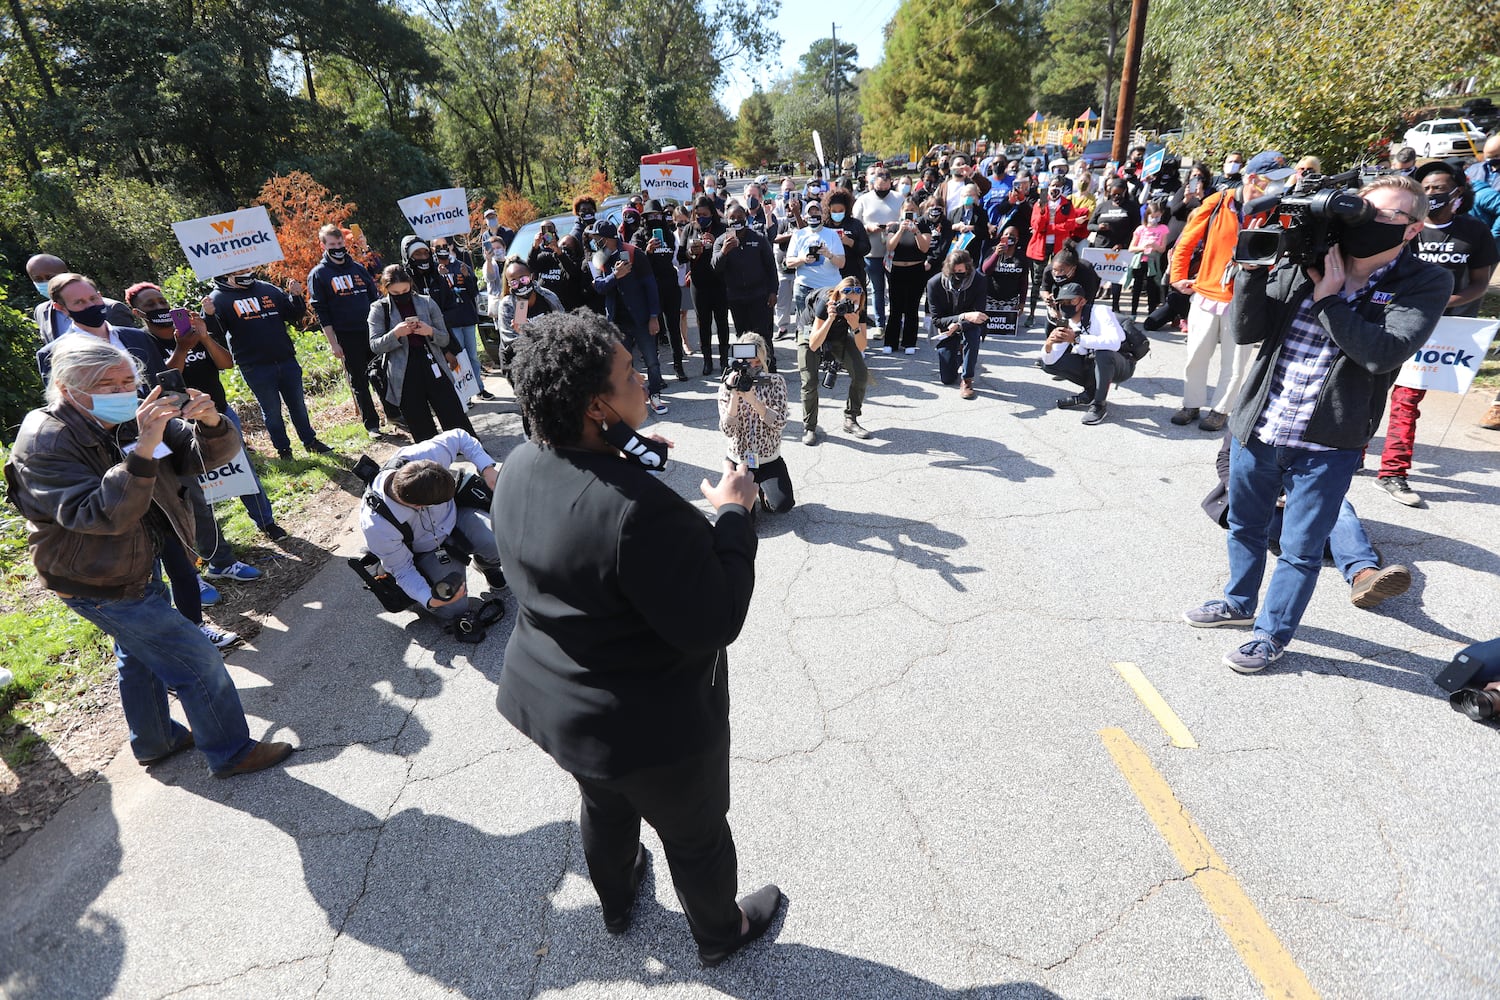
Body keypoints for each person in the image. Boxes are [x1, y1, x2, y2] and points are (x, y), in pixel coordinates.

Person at [494, 310, 781, 967]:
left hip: (559, 710)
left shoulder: (517, 465)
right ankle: (720, 932)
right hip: (654, 731)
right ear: (599, 405)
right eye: (629, 374)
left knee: (606, 804)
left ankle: (618, 903)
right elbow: (716, 619)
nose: (644, 378)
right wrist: (734, 514)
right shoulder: (640, 515)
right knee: (696, 837)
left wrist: (633, 451)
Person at [1184, 174, 1451, 674]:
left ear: (1412, 229)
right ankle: (1240, 605)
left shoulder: (1423, 281)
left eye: (1386, 215)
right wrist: (1251, 267)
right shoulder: (1308, 252)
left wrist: (1328, 299)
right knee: (1244, 524)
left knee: (1301, 550)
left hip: (1329, 440)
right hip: (1260, 423)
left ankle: (1270, 636)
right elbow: (1245, 330)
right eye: (1363, 210)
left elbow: (1381, 354)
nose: (1367, 222)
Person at [3, 336, 293, 776]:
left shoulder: (132, 415)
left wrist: (211, 422)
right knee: (197, 659)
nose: (123, 392)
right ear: (67, 388)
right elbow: (99, 516)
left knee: (138, 656)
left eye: (126, 380)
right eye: (108, 383)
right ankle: (232, 751)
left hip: (140, 559)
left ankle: (156, 741)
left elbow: (200, 459)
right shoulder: (45, 441)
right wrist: (142, 451)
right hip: (96, 578)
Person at [124, 281, 266, 603]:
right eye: (151, 305)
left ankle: (234, 550)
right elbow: (159, 384)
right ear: (137, 313)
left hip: (213, 421)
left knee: (233, 483)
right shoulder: (140, 344)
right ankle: (199, 570)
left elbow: (226, 363)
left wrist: (201, 336)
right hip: (171, 430)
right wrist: (183, 348)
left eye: (162, 301)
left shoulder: (189, 330)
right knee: (188, 500)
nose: (160, 308)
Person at [1374, 161, 1498, 507]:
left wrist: (1437, 304)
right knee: (1368, 389)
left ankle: (1393, 472)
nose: (1432, 194)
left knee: (1406, 400)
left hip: (1441, 330)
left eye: (1440, 188)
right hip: (1389, 321)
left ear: (1459, 191)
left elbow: (1479, 284)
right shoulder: (1403, 227)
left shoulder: (1474, 232)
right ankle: (1351, 452)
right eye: (1426, 188)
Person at [1201, 432, 1412, 609]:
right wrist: (1264, 495)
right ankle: (1354, 552)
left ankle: (1363, 573)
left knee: (1339, 505)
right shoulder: (1260, 408)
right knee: (1332, 532)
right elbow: (1225, 460)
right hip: (1266, 507)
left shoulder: (1322, 416)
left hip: (1305, 498)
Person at [1168, 150, 1289, 432]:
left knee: (1235, 363)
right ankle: (1190, 403)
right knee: (1196, 354)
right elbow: (1187, 240)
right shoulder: (1218, 201)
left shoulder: (1278, 212)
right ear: (1253, 179)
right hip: (1207, 292)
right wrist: (1177, 276)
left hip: (1246, 299)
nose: (1278, 186)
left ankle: (1220, 410)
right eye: (1274, 180)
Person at [358, 429, 505, 625]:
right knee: (453, 609)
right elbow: (402, 571)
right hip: (425, 550)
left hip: (455, 520)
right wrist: (430, 599)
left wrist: (487, 469)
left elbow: (460, 436)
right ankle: (432, 584)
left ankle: (488, 564)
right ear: (419, 507)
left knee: (503, 541)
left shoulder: (419, 457)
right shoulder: (377, 525)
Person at [203, 268, 334, 460]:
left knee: (298, 405)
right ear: (227, 273)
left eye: (247, 269)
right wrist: (209, 315)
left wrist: (296, 296)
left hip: (286, 359)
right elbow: (216, 334)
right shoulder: (217, 298)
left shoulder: (267, 289)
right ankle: (284, 450)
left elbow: (294, 314)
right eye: (241, 270)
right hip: (255, 366)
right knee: (272, 412)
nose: (246, 273)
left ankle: (310, 441)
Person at [308, 224, 399, 435]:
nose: (337, 247)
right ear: (323, 245)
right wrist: (333, 343)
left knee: (382, 374)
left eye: (340, 243)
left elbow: (374, 299)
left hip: (371, 331)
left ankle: (394, 415)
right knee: (359, 381)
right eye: (332, 244)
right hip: (346, 336)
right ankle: (372, 425)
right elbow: (322, 313)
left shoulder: (358, 268)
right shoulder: (319, 274)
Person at [368, 264, 475, 442]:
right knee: (420, 425)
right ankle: (432, 463)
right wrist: (396, 334)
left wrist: (429, 331)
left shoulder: (426, 302)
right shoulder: (379, 309)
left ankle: (473, 450)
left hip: (432, 362)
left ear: (410, 284)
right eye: (395, 293)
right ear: (386, 290)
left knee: (453, 414)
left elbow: (444, 338)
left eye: (405, 290)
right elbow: (375, 345)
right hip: (403, 371)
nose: (402, 295)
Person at [588, 221, 667, 413]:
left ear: (608, 239)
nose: (594, 242)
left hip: (641, 319)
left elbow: (651, 287)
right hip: (616, 322)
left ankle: (655, 394)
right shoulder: (597, 258)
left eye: (597, 238)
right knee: (622, 365)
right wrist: (615, 275)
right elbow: (599, 286)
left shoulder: (634, 253)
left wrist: (654, 316)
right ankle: (631, 400)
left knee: (651, 361)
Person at [717, 332, 794, 513]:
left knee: (783, 506)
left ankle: (763, 490)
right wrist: (734, 396)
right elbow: (727, 430)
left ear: (761, 360)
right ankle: (734, 475)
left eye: (754, 361)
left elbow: (780, 423)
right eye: (743, 361)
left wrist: (755, 402)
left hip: (768, 458)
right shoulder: (726, 386)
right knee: (744, 517)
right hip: (740, 460)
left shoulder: (774, 382)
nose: (749, 366)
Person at [1040, 281, 1136, 425]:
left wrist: (1078, 338)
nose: (1066, 305)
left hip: (1121, 364)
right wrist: (1048, 345)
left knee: (1103, 354)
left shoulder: (1100, 312)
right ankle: (1090, 393)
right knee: (1049, 364)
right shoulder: (1067, 321)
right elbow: (1050, 361)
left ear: (1082, 301)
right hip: (1094, 364)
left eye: (1071, 300)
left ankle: (1099, 405)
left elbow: (1114, 343)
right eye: (1062, 302)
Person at [36, 273, 159, 381]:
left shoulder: (138, 337)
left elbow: (162, 381)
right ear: (61, 308)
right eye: (79, 302)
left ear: (100, 296)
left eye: (93, 298)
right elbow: (62, 403)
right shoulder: (52, 354)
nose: (90, 305)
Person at [799, 276, 872, 445]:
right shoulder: (826, 301)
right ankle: (810, 427)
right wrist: (831, 318)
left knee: (861, 374)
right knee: (809, 380)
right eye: (847, 301)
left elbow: (862, 346)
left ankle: (851, 419)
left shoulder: (859, 307)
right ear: (838, 296)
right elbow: (814, 344)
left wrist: (855, 326)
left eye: (854, 301)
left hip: (839, 335)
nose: (850, 305)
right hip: (812, 332)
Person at [712, 202, 779, 373]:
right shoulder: (721, 241)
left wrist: (773, 291)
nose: (736, 220)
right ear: (727, 220)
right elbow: (715, 267)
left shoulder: (758, 238)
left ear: (746, 218)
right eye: (732, 218)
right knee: (743, 336)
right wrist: (724, 251)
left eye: (740, 217)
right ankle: (747, 369)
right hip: (736, 298)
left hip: (760, 296)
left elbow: (771, 267)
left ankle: (769, 369)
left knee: (763, 335)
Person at [432, 236, 495, 401]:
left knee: (472, 356)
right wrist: (440, 277)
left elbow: (474, 291)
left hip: (467, 317)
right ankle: (465, 394)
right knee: (458, 358)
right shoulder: (432, 270)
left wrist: (467, 277)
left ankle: (479, 388)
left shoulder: (461, 265)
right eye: (438, 247)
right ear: (432, 249)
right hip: (450, 322)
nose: (442, 249)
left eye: (445, 245)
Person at [633, 199, 689, 380]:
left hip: (670, 286)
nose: (655, 219)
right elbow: (634, 265)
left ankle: (678, 366)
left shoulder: (668, 234)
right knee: (653, 332)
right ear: (645, 217)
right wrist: (646, 251)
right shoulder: (639, 236)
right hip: (650, 289)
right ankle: (656, 373)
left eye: (658, 215)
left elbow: (677, 259)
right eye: (651, 216)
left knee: (673, 327)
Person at [26, 254, 135, 343]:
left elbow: (135, 350)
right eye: (38, 279)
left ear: (65, 274)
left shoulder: (112, 309)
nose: (46, 282)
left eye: (50, 277)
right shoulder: (41, 312)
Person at [926, 251, 988, 399]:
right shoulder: (934, 283)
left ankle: (967, 380)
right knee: (947, 379)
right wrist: (962, 317)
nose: (957, 275)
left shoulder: (979, 280)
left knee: (972, 336)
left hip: (970, 325)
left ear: (968, 268)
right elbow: (936, 320)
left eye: (961, 271)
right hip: (947, 327)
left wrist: (960, 325)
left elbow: (979, 315)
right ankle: (958, 355)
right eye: (954, 272)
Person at [1026, 178, 1089, 323]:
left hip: (1059, 246)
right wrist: (1043, 211)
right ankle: (1032, 314)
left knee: (1061, 280)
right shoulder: (1040, 202)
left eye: (1058, 186)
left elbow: (1071, 225)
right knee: (1037, 281)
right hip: (1040, 246)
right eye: (1053, 185)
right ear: (1048, 187)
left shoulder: (1067, 203)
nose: (1055, 188)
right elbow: (1038, 226)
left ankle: (1060, 312)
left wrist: (1053, 228)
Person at [685, 196, 731, 376]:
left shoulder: (722, 228)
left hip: (719, 283)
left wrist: (715, 245)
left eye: (704, 215)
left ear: (712, 212)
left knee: (722, 323)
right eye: (697, 215)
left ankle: (725, 360)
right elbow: (681, 255)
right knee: (703, 324)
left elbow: (730, 254)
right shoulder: (690, 229)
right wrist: (690, 252)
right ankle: (707, 361)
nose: (701, 218)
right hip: (699, 284)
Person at [884, 197, 935, 354]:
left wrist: (916, 231)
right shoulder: (893, 226)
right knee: (895, 308)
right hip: (897, 271)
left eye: (912, 210)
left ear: (917, 212)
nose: (909, 213)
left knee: (912, 308)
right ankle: (890, 342)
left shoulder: (923, 226)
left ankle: (909, 342)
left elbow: (925, 248)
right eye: (907, 210)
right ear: (901, 211)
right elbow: (890, 246)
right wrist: (901, 229)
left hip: (916, 270)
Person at [854, 168, 903, 329]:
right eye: (879, 187)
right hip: (871, 252)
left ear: (890, 183)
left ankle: (896, 323)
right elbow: (855, 223)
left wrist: (895, 226)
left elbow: (908, 219)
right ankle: (880, 324)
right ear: (873, 183)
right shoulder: (863, 200)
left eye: (885, 187)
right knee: (877, 290)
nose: (882, 190)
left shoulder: (899, 198)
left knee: (896, 290)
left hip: (894, 252)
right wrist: (868, 227)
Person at [1088, 176, 1140, 312]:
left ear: (1124, 192)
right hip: (1101, 247)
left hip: (1119, 248)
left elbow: (1135, 229)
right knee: (1096, 278)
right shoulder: (1102, 206)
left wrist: (1123, 244)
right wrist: (1099, 227)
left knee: (1116, 278)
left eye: (1119, 194)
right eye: (1113, 194)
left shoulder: (1132, 207)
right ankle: (1090, 305)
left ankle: (1115, 307)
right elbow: (1090, 225)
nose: (1116, 196)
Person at [1126, 200, 1170, 318]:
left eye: (1157, 216)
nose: (1155, 219)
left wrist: (1155, 246)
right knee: (1137, 287)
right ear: (1147, 216)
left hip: (1154, 261)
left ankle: (1151, 312)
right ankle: (1133, 312)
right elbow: (1131, 248)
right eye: (1152, 216)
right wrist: (1141, 247)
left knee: (1152, 287)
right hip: (1140, 261)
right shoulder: (1141, 229)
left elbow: (1162, 249)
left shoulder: (1163, 228)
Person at [525, 220, 583, 312]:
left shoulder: (570, 260)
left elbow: (573, 272)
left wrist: (560, 252)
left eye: (568, 246)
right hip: (545, 308)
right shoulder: (521, 299)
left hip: (565, 309)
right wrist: (535, 246)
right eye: (563, 244)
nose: (565, 247)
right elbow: (530, 267)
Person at [770, 192, 805, 340]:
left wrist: (797, 215)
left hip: (800, 270)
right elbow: (775, 238)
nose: (790, 211)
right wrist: (793, 235)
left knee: (800, 302)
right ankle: (782, 327)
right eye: (788, 209)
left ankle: (800, 329)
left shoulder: (803, 221)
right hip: (783, 270)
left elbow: (804, 232)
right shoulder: (782, 222)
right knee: (782, 302)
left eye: (793, 209)